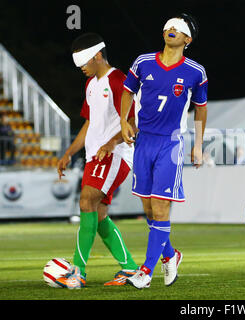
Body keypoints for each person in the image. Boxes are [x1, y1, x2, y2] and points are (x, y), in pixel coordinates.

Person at [120, 13, 207, 289]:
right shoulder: (143, 62)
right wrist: (125, 120)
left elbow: (201, 109)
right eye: (169, 25)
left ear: (187, 39)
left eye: (178, 28)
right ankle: (171, 254)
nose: (171, 29)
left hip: (170, 144)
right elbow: (126, 91)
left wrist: (199, 144)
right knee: (148, 208)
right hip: (143, 141)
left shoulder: (196, 72)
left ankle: (146, 271)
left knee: (160, 206)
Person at [55, 33, 140, 288]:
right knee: (100, 215)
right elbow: (89, 123)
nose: (81, 67)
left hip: (114, 155)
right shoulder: (91, 84)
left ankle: (77, 271)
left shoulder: (118, 81)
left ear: (97, 55)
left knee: (86, 201)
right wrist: (69, 152)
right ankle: (130, 268)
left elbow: (133, 123)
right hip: (95, 156)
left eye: (83, 61)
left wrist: (112, 143)